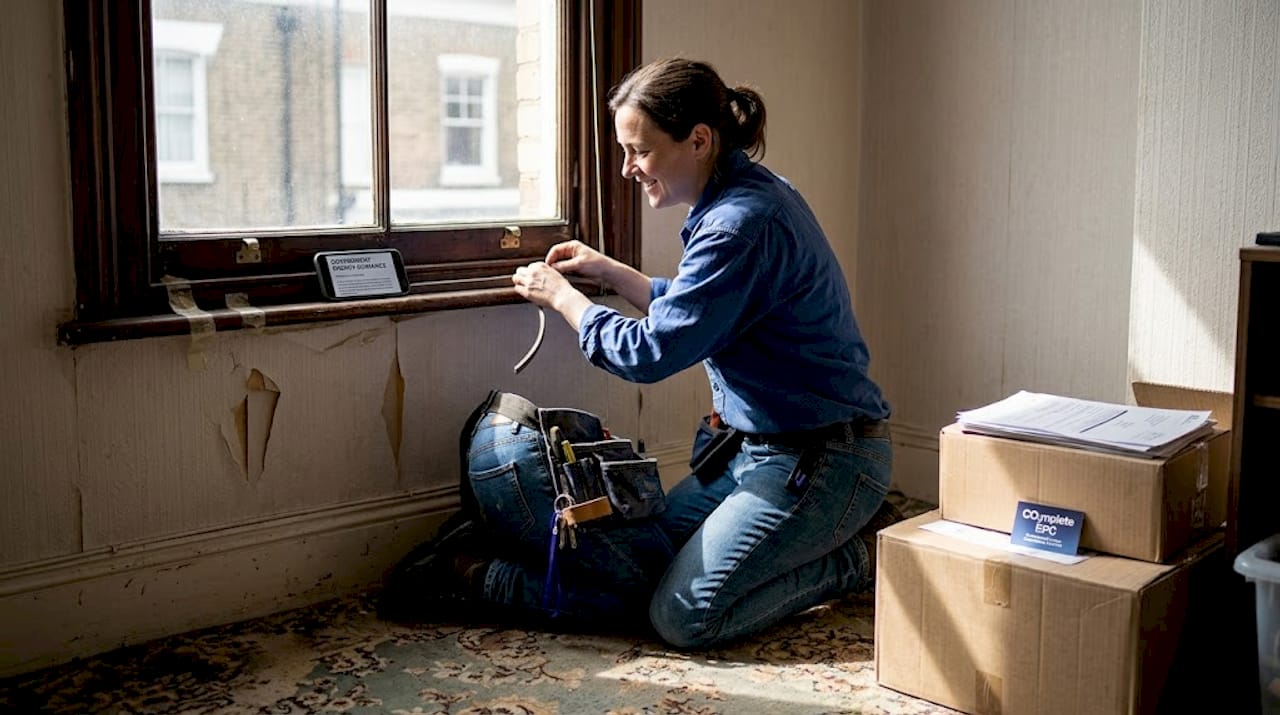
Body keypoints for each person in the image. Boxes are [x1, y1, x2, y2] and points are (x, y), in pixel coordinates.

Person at [507, 57, 901, 649]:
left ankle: (856, 558)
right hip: (755, 449)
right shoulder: (738, 200)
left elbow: (650, 353)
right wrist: (613, 272)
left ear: (698, 140)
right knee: (646, 563)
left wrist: (562, 297)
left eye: (639, 151)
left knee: (684, 616)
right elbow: (702, 310)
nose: (628, 168)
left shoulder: (739, 224)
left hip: (824, 461)